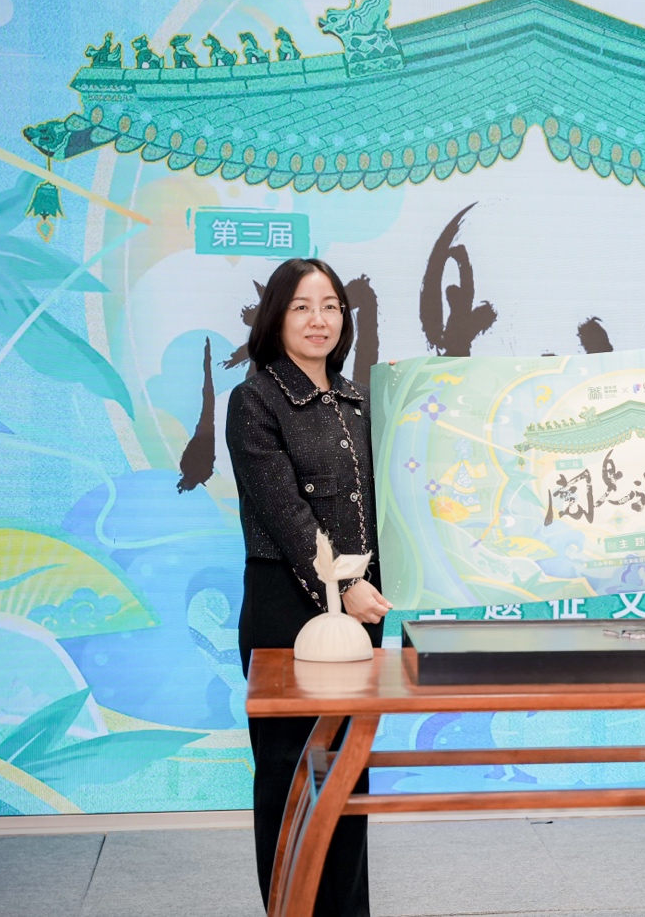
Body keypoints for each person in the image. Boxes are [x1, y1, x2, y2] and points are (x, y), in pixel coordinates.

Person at [226, 257, 393, 916]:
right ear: (276, 317)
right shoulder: (255, 400)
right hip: (285, 611)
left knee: (348, 778)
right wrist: (345, 585)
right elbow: (286, 515)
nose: (318, 319)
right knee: (290, 779)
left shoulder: (362, 402)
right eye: (301, 306)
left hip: (362, 610)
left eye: (330, 306)